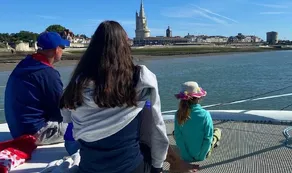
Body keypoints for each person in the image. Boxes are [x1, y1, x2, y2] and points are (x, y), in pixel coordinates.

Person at [59, 20, 198, 173]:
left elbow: (67, 119)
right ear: (125, 46)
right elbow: (157, 126)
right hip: (131, 168)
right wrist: (157, 167)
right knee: (146, 109)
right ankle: (176, 164)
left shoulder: (77, 83)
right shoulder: (140, 77)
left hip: (90, 168)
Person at [4, 31, 70, 145]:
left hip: (18, 130)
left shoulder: (26, 64)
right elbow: (59, 112)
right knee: (84, 125)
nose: (62, 51)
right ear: (56, 50)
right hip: (34, 133)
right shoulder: (47, 73)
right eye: (62, 47)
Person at [174, 81, 222, 162]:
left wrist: (186, 155)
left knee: (175, 133)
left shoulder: (178, 115)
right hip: (201, 155)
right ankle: (215, 141)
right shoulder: (205, 115)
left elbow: (178, 137)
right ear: (198, 98)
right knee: (217, 131)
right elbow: (208, 138)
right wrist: (200, 156)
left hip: (185, 156)